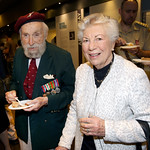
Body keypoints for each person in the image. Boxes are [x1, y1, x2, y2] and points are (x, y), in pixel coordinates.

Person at [55, 13, 150, 150]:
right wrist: (64, 144)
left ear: (113, 43)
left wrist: (106, 129)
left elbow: (146, 126)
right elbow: (75, 109)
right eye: (86, 40)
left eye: (98, 39)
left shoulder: (133, 75)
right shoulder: (82, 71)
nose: (91, 46)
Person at [5, 12, 75, 150]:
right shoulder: (19, 54)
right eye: (25, 36)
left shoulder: (62, 57)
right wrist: (12, 91)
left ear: (44, 34)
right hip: (23, 127)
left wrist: (46, 101)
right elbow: (14, 81)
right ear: (20, 37)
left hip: (50, 130)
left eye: (36, 35)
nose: (30, 42)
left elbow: (71, 91)